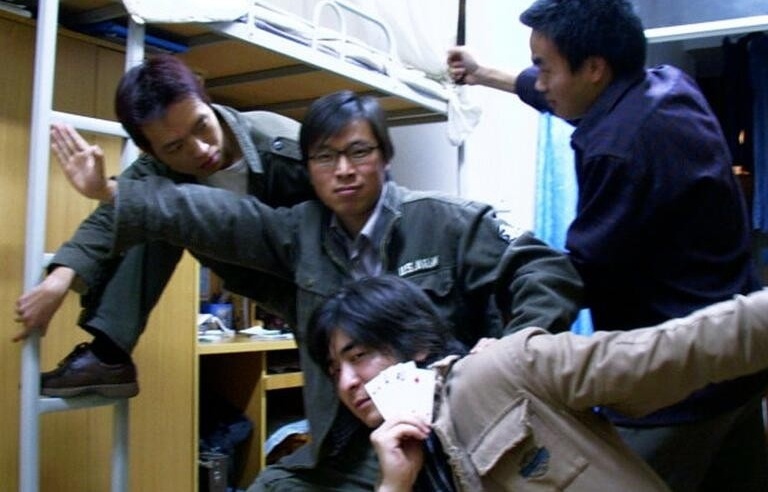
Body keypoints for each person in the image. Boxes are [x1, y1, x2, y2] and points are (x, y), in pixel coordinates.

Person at [65, 89, 584, 490]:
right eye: (325, 158)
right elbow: (214, 215)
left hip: (456, 432)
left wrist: (510, 353)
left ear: (385, 156)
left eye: (359, 152)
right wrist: (111, 191)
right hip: (353, 447)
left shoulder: (445, 221)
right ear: (308, 169)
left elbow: (546, 271)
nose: (344, 171)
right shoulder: (298, 233)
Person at [447, 1, 768, 489]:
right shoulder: (667, 88)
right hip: (735, 365)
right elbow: (558, 95)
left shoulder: (618, 150)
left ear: (594, 68)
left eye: (544, 68)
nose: (542, 82)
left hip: (677, 388)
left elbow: (581, 273)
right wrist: (483, 74)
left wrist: (514, 350)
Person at [13, 54, 315, 398]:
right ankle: (109, 355)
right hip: (265, 286)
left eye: (201, 125)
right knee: (148, 205)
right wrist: (58, 280)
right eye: (175, 146)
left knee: (349, 406)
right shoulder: (161, 172)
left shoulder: (286, 146)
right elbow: (113, 213)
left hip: (321, 282)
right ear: (152, 151)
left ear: (205, 97)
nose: (200, 149)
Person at [309, 274, 768, 492]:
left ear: (415, 344)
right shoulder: (391, 460)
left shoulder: (506, 370)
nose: (347, 383)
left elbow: (673, 352)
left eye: (359, 356)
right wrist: (394, 486)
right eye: (333, 369)